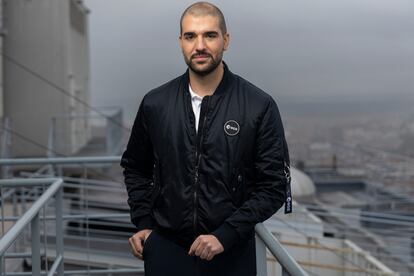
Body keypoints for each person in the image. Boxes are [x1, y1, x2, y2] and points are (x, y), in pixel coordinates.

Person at [120, 2, 291, 275]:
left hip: (230, 253)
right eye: (190, 36)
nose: (199, 45)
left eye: (209, 35)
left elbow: (273, 186)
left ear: (226, 39)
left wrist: (226, 234)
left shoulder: (258, 105)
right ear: (180, 42)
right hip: (166, 249)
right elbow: (135, 168)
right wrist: (143, 223)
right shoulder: (156, 104)